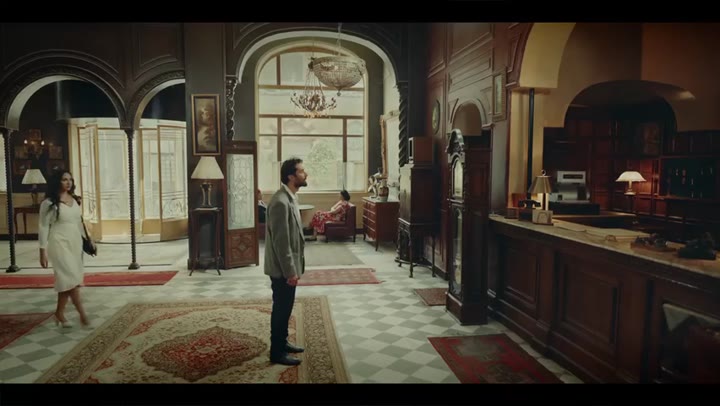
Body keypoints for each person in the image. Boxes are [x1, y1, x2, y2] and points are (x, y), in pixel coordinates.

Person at [264, 158, 308, 366]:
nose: (305, 174)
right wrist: (290, 272)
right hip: (282, 269)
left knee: (286, 307)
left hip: (288, 268)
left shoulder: (290, 197)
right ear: (291, 176)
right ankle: (276, 352)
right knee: (281, 309)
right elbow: (281, 243)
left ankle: (282, 342)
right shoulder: (280, 202)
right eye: (301, 171)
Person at [38, 170, 92, 329]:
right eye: (64, 179)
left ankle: (59, 313)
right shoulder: (48, 203)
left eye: (70, 179)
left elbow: (79, 223)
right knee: (71, 280)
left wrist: (89, 240)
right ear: (57, 181)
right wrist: (42, 250)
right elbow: (43, 227)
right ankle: (83, 315)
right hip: (59, 243)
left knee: (68, 280)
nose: (68, 182)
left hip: (75, 243)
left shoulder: (75, 200)